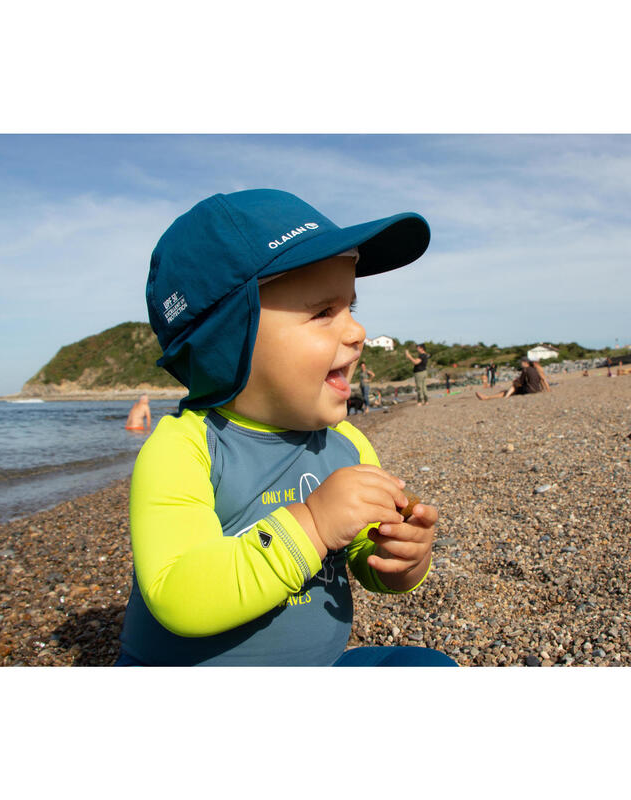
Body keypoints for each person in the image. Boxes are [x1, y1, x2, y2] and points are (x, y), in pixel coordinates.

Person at [116, 188, 455, 667]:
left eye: (351, 308)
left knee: (428, 668)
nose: (356, 331)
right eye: (323, 313)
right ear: (227, 343)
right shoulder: (186, 448)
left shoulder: (348, 445)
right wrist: (313, 523)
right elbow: (176, 593)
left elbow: (363, 558)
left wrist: (401, 561)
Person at [476, 357, 543, 400]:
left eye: (521, 362)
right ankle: (504, 395)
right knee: (511, 389)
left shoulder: (525, 370)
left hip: (530, 390)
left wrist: (515, 382)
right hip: (537, 389)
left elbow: (520, 381)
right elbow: (540, 380)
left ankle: (488, 397)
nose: (521, 364)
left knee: (508, 390)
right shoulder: (534, 369)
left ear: (525, 363)